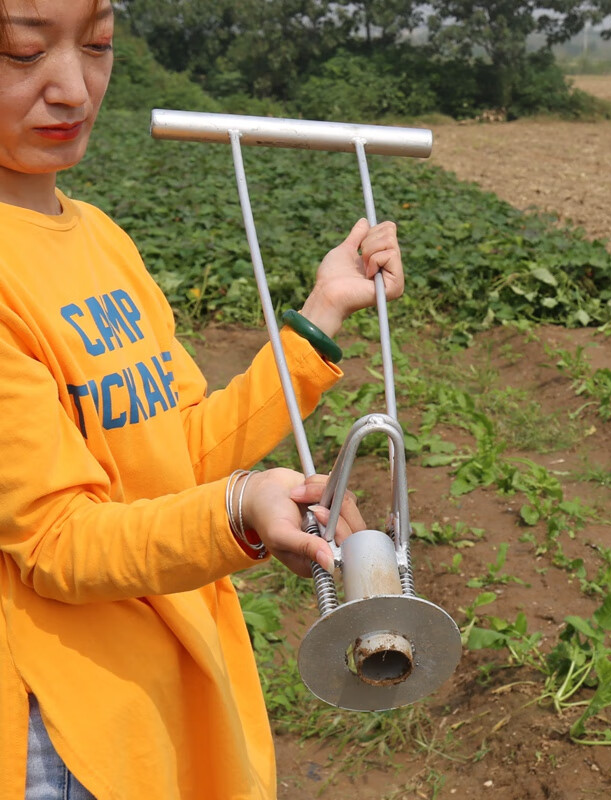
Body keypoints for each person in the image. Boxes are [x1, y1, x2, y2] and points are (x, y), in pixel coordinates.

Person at [0, 1, 405, 797]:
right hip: (64, 726)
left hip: (158, 678)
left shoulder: (99, 237)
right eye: (20, 53)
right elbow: (54, 542)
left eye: (98, 46)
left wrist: (320, 315)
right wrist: (236, 510)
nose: (75, 90)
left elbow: (179, 448)